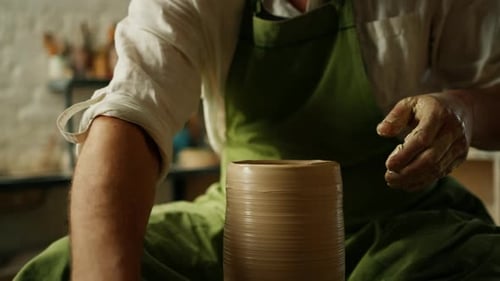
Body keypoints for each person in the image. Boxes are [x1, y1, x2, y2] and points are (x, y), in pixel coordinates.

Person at [15, 0, 500, 280]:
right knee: (60, 269)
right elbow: (126, 116)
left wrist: (464, 110)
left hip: (402, 218)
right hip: (238, 217)